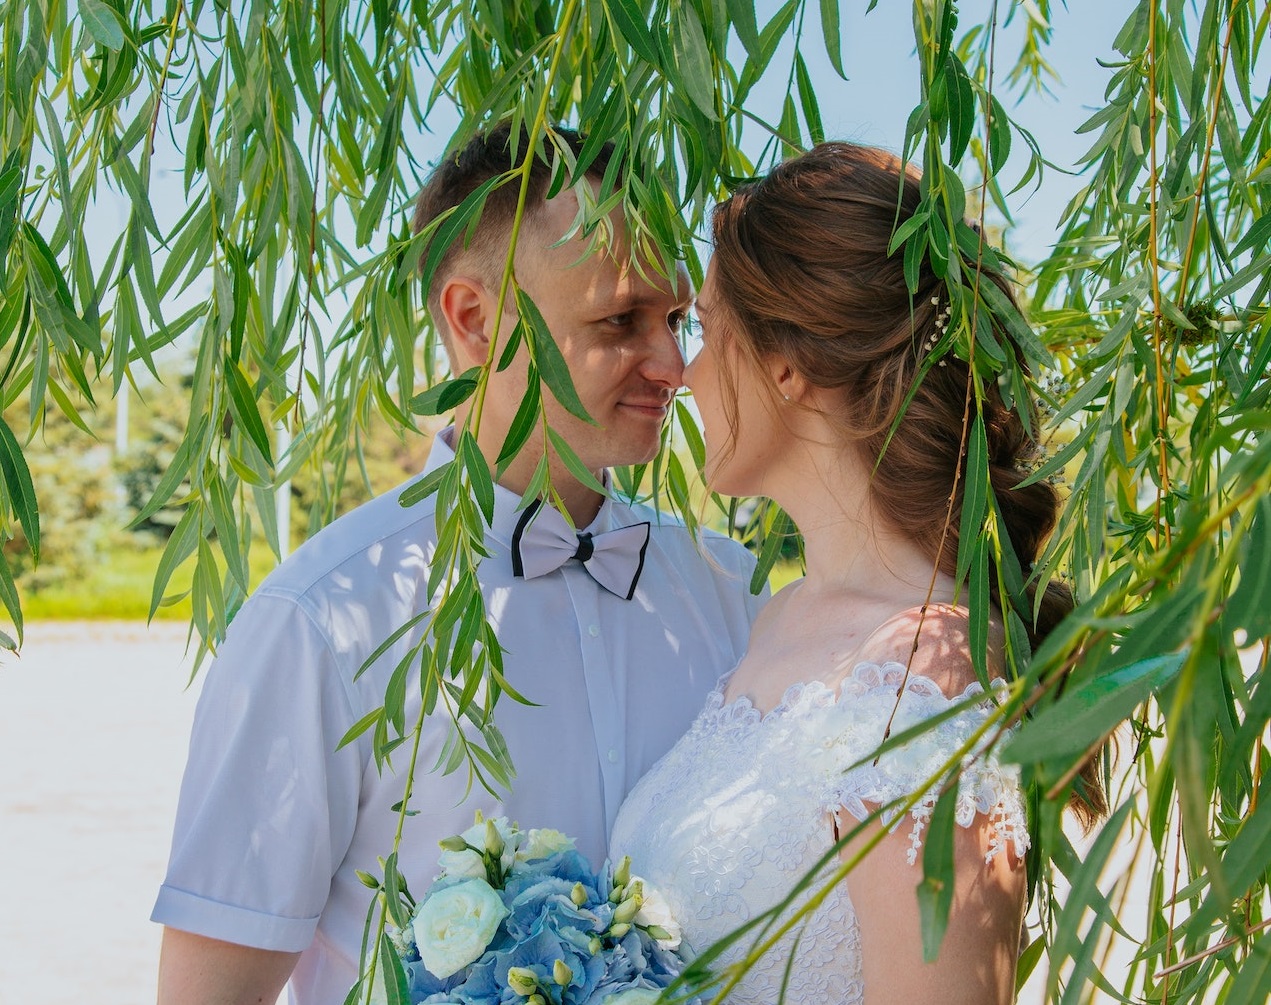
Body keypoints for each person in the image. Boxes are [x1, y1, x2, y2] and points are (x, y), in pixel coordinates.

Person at [152, 124, 765, 1005]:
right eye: (619, 319)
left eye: (676, 320)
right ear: (474, 319)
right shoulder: (321, 624)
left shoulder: (733, 594)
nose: (675, 366)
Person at [610, 143, 1104, 1004]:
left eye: (706, 331)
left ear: (787, 366)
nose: (683, 373)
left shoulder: (929, 675)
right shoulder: (779, 615)